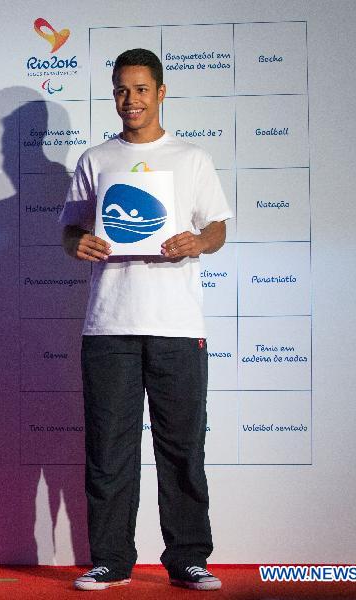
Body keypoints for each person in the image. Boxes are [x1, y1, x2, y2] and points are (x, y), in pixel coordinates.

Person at [61, 49, 232, 591]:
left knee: (182, 447)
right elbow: (71, 230)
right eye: (120, 90)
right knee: (108, 448)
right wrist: (79, 243)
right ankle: (110, 559)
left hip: (177, 324)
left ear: (160, 93)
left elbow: (217, 229)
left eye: (139, 89)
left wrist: (196, 241)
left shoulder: (191, 158)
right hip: (108, 324)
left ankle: (188, 558)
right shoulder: (95, 159)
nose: (129, 100)